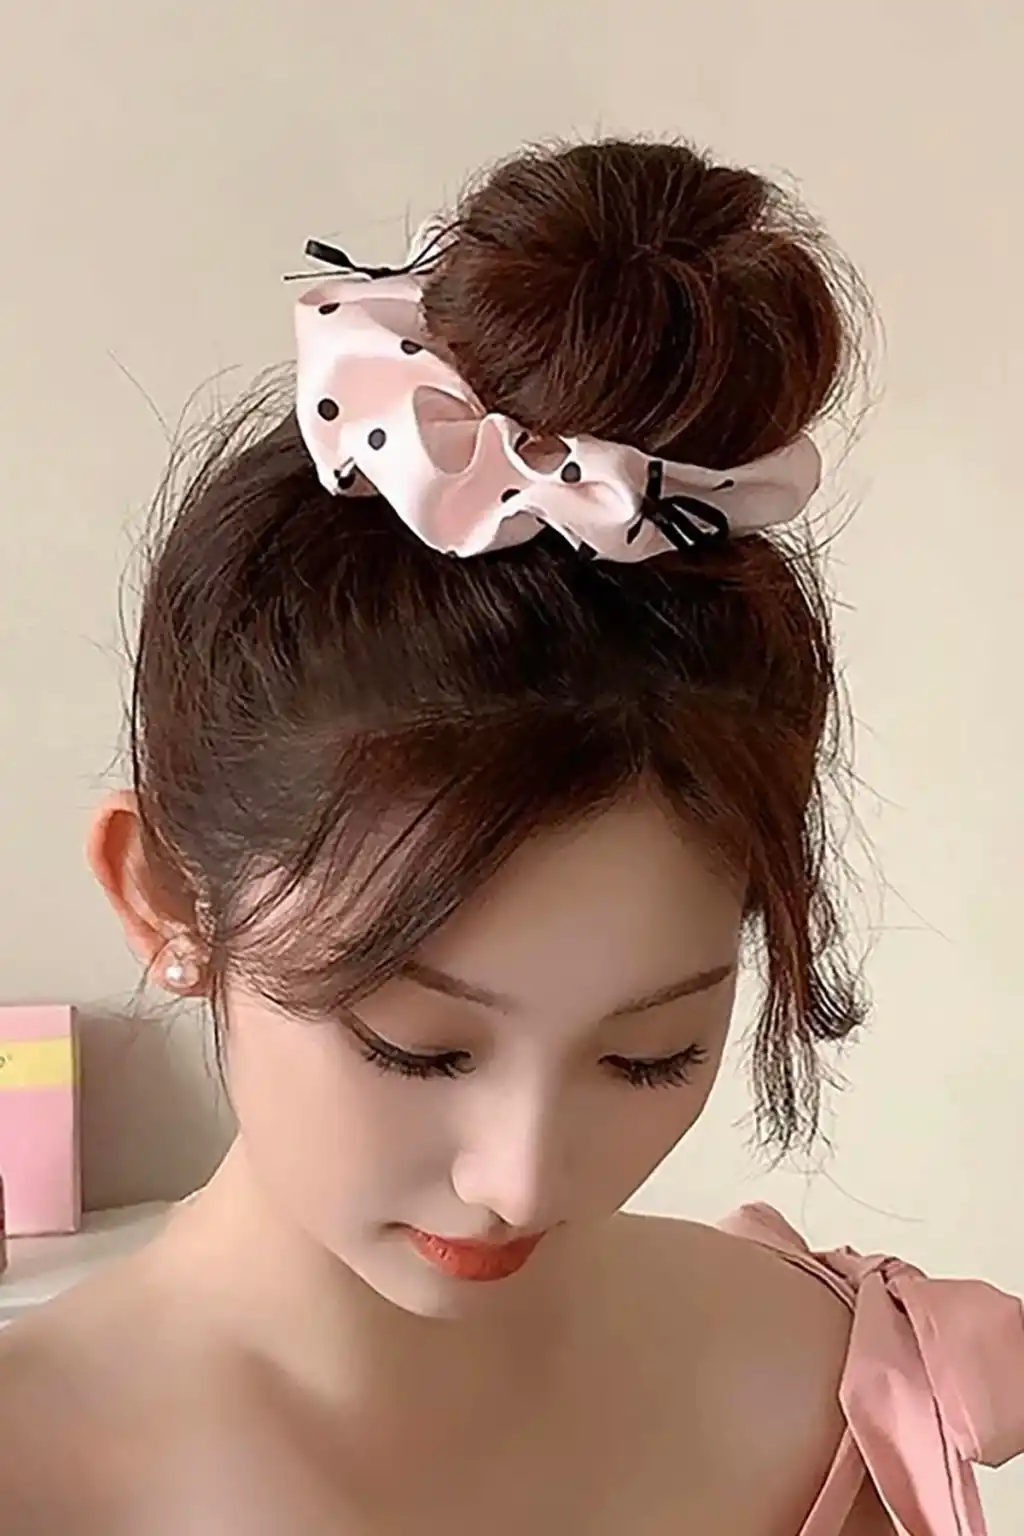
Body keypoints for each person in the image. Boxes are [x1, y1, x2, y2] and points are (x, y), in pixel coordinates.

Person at [0, 136, 1020, 1536]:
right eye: (418, 1047)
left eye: (650, 1053)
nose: (525, 1181)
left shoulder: (840, 1392)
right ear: (165, 893)